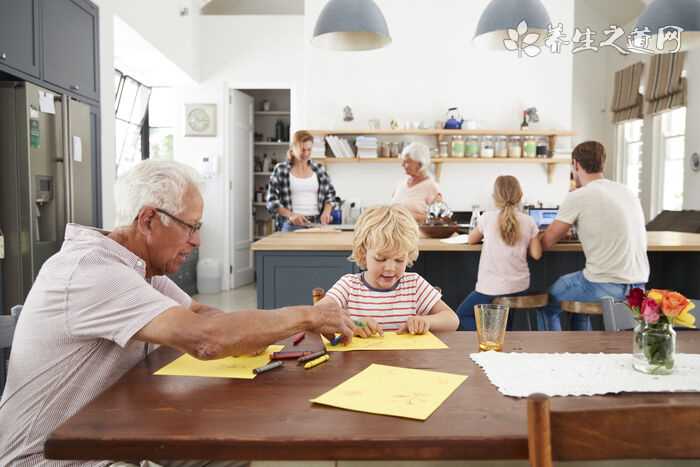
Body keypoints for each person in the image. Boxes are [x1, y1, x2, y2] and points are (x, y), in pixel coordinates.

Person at [0, 160, 355, 467]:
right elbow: (208, 339)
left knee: (233, 450)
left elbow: (202, 314)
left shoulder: (137, 269)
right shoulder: (94, 271)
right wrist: (308, 316)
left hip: (112, 435)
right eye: (191, 227)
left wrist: (258, 332)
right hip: (56, 458)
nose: (197, 241)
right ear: (149, 219)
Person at [540, 141, 649, 331]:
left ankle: (550, 356)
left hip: (604, 284)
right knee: (577, 303)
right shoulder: (627, 191)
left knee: (547, 303)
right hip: (639, 287)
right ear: (602, 164)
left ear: (575, 164)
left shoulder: (578, 196)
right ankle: (584, 352)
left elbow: (547, 242)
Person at [316, 205, 459, 336]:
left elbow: (452, 320)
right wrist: (354, 324)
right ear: (363, 254)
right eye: (380, 259)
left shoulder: (414, 285)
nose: (390, 268)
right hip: (359, 363)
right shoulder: (348, 285)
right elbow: (317, 316)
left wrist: (426, 321)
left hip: (406, 362)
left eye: (399, 260)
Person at [456, 176, 542, 331]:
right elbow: (536, 254)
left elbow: (471, 239)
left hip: (491, 288)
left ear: (494, 198)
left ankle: (492, 337)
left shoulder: (487, 219)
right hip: (520, 286)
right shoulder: (528, 221)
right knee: (505, 315)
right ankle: (501, 337)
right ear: (520, 196)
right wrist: (536, 236)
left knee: (462, 315)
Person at [266, 130, 337, 231]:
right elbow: (271, 201)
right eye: (303, 150)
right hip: (291, 224)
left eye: (309, 149)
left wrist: (326, 212)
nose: (306, 153)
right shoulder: (281, 169)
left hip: (316, 224)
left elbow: (330, 194)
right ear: (293, 148)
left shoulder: (319, 169)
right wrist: (291, 215)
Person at [391, 142, 443, 224]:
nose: (402, 165)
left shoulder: (431, 186)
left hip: (417, 234)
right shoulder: (401, 184)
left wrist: (406, 215)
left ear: (420, 164)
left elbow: (437, 219)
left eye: (407, 162)